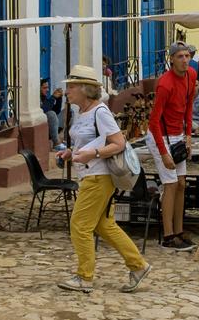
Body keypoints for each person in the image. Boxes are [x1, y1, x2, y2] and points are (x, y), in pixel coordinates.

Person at [55, 65, 150, 294]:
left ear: (84, 89)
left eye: (71, 86)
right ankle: (138, 266)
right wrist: (71, 153)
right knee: (104, 225)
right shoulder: (81, 112)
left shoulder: (101, 112)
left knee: (79, 226)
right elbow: (86, 142)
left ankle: (84, 277)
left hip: (98, 176)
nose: (66, 90)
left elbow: (118, 143)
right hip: (89, 174)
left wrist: (93, 154)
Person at [148, 41, 198, 250]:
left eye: (187, 56)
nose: (184, 60)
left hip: (178, 136)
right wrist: (163, 153)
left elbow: (188, 105)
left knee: (181, 184)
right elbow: (153, 121)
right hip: (161, 137)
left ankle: (179, 230)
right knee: (169, 185)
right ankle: (167, 236)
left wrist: (188, 135)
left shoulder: (191, 75)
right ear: (171, 59)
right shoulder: (165, 84)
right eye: (180, 56)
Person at [40, 77, 65, 150]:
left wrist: (59, 98)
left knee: (68, 112)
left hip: (54, 128)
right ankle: (56, 144)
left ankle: (66, 140)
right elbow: (45, 110)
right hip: (46, 130)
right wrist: (53, 97)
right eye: (44, 88)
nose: (47, 90)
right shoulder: (36, 99)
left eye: (47, 87)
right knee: (51, 114)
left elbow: (57, 111)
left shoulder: (45, 98)